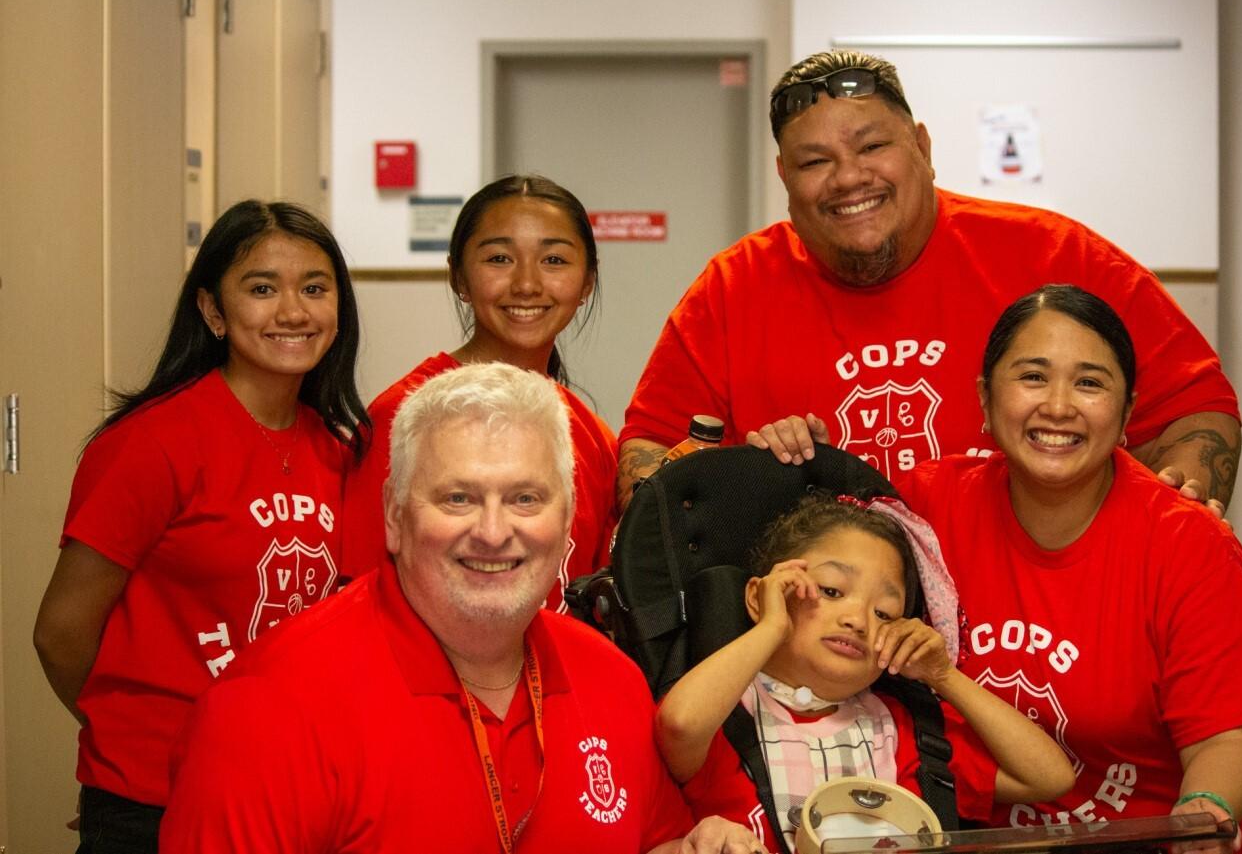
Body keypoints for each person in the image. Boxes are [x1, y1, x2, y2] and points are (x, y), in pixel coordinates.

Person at [159, 362, 763, 853]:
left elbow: (645, 840)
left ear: (566, 519)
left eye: (526, 498)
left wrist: (693, 846)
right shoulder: (268, 711)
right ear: (394, 517)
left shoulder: (609, 678)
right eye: (458, 498)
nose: (494, 532)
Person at [618, 50, 1240, 517]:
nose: (848, 178)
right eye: (815, 162)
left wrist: (1177, 509)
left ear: (921, 146)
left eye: (872, 146)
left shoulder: (1053, 256)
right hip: (816, 648)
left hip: (1029, 627)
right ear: (784, 175)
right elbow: (650, 444)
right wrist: (734, 484)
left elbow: (1195, 405)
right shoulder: (733, 289)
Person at [892, 285, 1242, 854]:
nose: (1058, 407)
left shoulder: (1188, 542)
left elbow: (1224, 739)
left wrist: (1204, 813)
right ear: (985, 398)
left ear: (1128, 410)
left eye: (1089, 383)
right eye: (1033, 377)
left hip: (1159, 839)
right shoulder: (928, 506)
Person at [33, 200, 369, 852]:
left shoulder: (338, 447)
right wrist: (130, 748)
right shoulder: (152, 444)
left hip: (289, 789)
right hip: (158, 797)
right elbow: (60, 632)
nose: (293, 311)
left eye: (315, 288)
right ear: (213, 310)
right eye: (262, 288)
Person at [656, 496, 1074, 852]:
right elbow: (678, 724)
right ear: (762, 597)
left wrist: (943, 675)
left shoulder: (903, 732)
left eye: (883, 613)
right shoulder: (725, 712)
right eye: (832, 591)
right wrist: (770, 627)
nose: (857, 618)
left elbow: (1048, 777)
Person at [344, 174, 616, 610]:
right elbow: (361, 592)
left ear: (586, 283)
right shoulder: (406, 413)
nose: (527, 284)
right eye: (499, 258)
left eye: (554, 260)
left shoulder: (590, 433)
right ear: (459, 278)